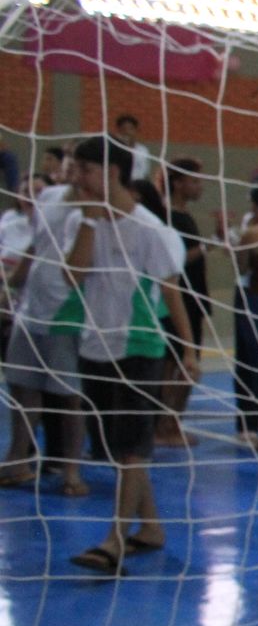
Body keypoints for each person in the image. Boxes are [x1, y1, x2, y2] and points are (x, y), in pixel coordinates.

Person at [64, 136, 195, 573]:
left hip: (138, 346)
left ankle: (115, 539)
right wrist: (87, 223)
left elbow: (173, 291)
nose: (75, 179)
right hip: (94, 345)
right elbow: (72, 276)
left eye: (83, 170)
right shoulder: (85, 220)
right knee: (123, 450)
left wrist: (190, 350)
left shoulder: (149, 229)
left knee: (134, 449)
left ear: (111, 171)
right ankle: (151, 528)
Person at [0, 166, 87, 497]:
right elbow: (34, 249)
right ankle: (17, 460)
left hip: (66, 313)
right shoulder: (48, 199)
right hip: (29, 310)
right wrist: (10, 287)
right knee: (22, 388)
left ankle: (72, 472)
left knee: (68, 398)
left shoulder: (92, 211)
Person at [147, 157, 207, 449]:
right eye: (194, 180)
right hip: (179, 301)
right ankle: (165, 425)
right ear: (179, 183)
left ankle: (171, 423)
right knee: (178, 364)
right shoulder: (171, 218)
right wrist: (206, 247)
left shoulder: (183, 216)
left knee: (183, 365)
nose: (200, 186)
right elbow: (178, 262)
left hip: (194, 299)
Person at [228, 174, 258, 449]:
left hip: (256, 300)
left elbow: (243, 268)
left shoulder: (253, 231)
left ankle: (254, 425)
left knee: (254, 364)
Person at [109, 114, 153, 182]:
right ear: (118, 131)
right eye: (123, 129)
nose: (127, 132)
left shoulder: (143, 150)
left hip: (138, 185)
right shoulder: (114, 150)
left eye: (130, 129)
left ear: (136, 131)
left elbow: (145, 172)